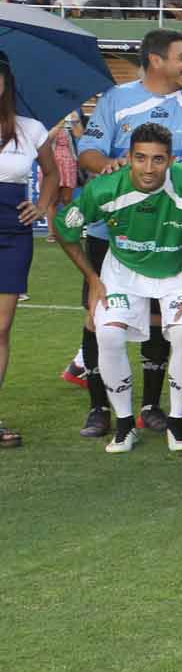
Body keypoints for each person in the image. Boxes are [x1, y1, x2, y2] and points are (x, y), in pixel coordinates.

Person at [75, 28, 182, 438]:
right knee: (99, 319)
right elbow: (88, 151)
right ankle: (99, 407)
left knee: (166, 318)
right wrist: (106, 166)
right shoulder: (116, 100)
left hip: (172, 229)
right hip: (112, 230)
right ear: (157, 60)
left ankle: (151, 405)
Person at [55, 123, 182, 454]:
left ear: (170, 160)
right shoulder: (105, 188)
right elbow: (63, 230)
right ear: (128, 158)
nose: (148, 168)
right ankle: (125, 426)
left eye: (158, 160)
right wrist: (94, 280)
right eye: (140, 158)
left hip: (180, 271)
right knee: (108, 334)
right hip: (123, 271)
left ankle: (178, 425)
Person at [0, 55, 54, 446]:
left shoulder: (30, 128)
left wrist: (41, 204)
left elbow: (52, 173)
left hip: (12, 234)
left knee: (1, 329)